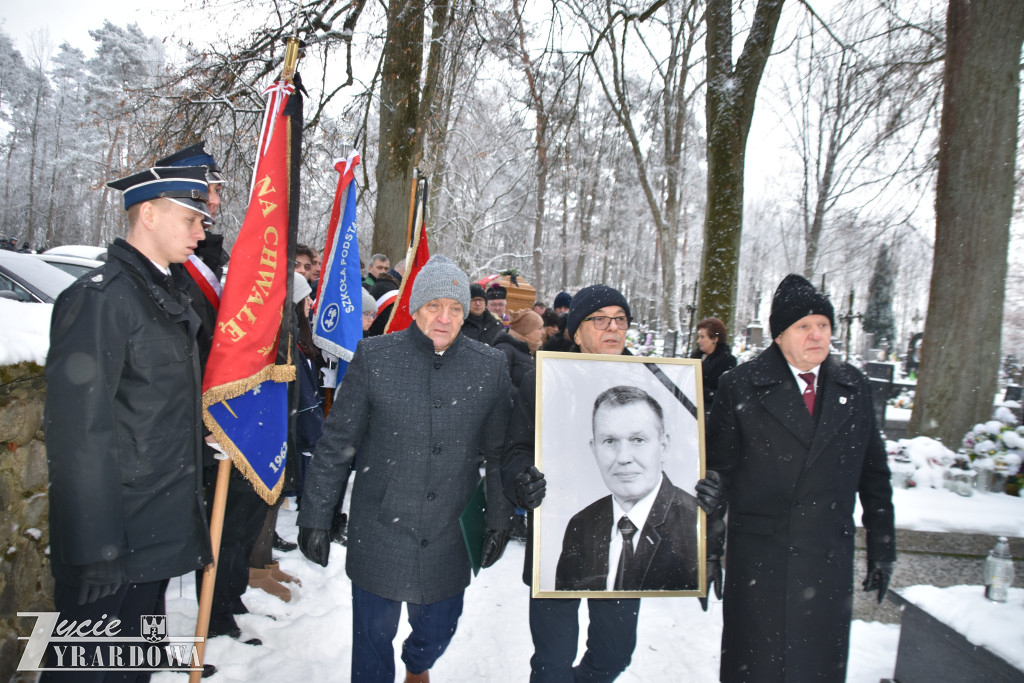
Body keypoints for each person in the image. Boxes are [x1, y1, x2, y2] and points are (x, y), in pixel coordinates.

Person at [297, 255, 514, 683]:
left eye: (454, 308)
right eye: (434, 306)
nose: (444, 318)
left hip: (450, 529)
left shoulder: (489, 367)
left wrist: (500, 521)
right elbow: (337, 443)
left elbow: (500, 452)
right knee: (373, 640)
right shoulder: (377, 358)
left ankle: (418, 663)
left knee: (439, 627)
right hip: (381, 524)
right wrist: (316, 516)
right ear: (414, 308)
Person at [502, 284, 722, 683]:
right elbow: (515, 450)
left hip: (628, 543)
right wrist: (522, 481)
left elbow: (689, 448)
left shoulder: (657, 380)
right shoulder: (546, 378)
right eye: (599, 319)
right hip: (560, 536)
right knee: (551, 661)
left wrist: (704, 487)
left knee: (614, 654)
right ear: (576, 331)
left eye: (620, 319)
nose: (612, 328)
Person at [43, 165, 213, 679]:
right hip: (113, 543)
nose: (201, 233)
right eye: (191, 219)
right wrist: (95, 547)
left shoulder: (161, 292)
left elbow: (154, 409)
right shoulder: (103, 298)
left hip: (151, 532)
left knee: (131, 671)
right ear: (149, 213)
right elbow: (78, 434)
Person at [707, 274, 896, 683]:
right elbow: (717, 476)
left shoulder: (855, 387)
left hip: (826, 561)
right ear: (779, 336)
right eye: (803, 326)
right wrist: (705, 551)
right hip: (762, 562)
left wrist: (883, 547)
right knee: (757, 667)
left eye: (823, 325)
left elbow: (875, 475)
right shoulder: (740, 385)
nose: (816, 335)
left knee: (816, 668)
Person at [155, 142, 270, 645]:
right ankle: (206, 611)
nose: (216, 203)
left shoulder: (207, 254)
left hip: (223, 410)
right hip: (194, 419)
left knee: (237, 510)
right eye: (209, 192)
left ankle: (222, 601)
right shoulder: (177, 264)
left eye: (218, 193)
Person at [555, 385, 700, 592]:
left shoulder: (694, 523)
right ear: (594, 449)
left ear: (663, 446)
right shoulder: (581, 525)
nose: (623, 458)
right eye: (610, 441)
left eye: (638, 440)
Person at [690, 317, 737, 420]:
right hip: (690, 410)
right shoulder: (695, 357)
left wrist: (698, 389)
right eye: (699, 337)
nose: (698, 341)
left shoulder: (727, 361)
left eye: (702, 337)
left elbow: (723, 394)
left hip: (709, 416)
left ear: (715, 339)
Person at [492, 308, 544, 391]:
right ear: (526, 330)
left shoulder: (534, 350)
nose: (543, 332)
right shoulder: (505, 349)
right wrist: (521, 398)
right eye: (539, 328)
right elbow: (500, 383)